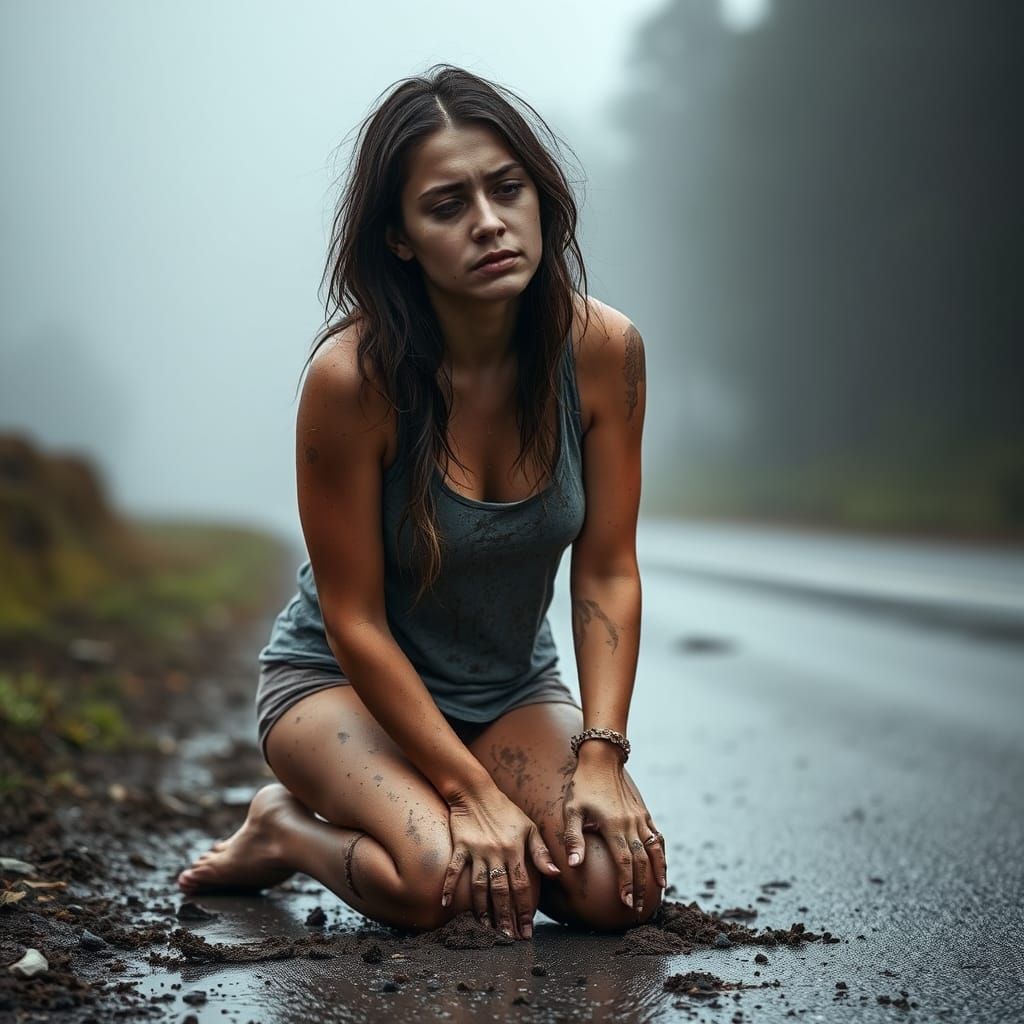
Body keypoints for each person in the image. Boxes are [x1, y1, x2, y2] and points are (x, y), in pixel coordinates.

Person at [178, 65, 665, 938]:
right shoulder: (350, 381)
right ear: (400, 238)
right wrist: (473, 794)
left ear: (539, 198)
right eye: (446, 206)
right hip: (340, 688)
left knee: (616, 891)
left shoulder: (603, 350)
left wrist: (601, 755)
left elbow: (606, 570)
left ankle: (448, 805)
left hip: (509, 687)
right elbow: (353, 619)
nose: (488, 222)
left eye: (507, 189)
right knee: (437, 880)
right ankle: (283, 828)